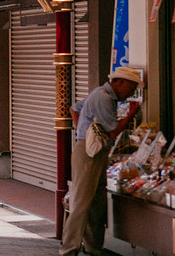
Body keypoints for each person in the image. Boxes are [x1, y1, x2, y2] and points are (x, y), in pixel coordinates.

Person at [60, 66, 143, 256]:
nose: (131, 93)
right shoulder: (103, 98)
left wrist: (83, 130)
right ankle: (69, 249)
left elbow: (75, 108)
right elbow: (113, 132)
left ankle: (93, 246)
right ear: (119, 82)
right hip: (89, 154)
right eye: (131, 88)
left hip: (92, 150)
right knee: (81, 202)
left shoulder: (101, 94)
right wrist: (130, 115)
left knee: (96, 200)